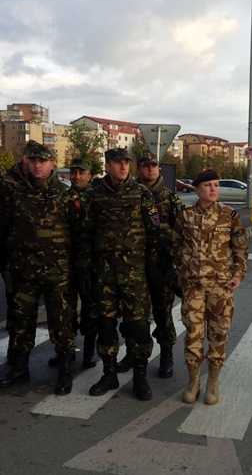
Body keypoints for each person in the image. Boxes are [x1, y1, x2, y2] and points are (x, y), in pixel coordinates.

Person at [0, 141, 76, 396]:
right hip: (24, 271)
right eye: (34, 161)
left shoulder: (66, 195)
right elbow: (5, 228)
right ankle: (20, 368)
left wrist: (76, 269)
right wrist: (8, 265)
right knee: (21, 321)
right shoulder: (16, 193)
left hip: (56, 272)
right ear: (27, 163)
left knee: (60, 321)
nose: (38, 165)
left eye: (43, 161)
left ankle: (65, 369)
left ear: (52, 164)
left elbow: (79, 234)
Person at [85, 147, 161, 401]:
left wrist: (152, 268)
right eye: (118, 162)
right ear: (107, 165)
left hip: (134, 274)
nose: (123, 166)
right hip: (104, 274)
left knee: (138, 326)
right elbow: (86, 233)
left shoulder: (142, 193)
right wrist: (86, 269)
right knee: (105, 325)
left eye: (126, 162)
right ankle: (109, 374)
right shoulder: (94, 195)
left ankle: (140, 378)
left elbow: (154, 233)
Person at [172, 169, 247, 405]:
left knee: (218, 334)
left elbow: (240, 249)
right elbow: (175, 245)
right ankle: (193, 381)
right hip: (193, 286)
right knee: (193, 335)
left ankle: (213, 381)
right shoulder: (185, 214)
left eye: (215, 184)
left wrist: (237, 275)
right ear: (197, 189)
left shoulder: (229, 215)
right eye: (207, 185)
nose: (213, 189)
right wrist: (181, 271)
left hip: (220, 286)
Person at [117, 152, 182, 378]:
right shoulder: (130, 194)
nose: (150, 169)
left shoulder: (170, 198)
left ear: (158, 168)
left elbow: (180, 233)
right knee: (133, 315)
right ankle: (131, 353)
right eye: (146, 166)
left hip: (162, 266)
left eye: (154, 165)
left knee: (163, 313)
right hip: (134, 266)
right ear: (140, 169)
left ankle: (166, 354)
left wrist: (174, 265)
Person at [0, 147, 30, 365]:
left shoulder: (37, 183)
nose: (36, 164)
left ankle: (14, 349)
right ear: (25, 158)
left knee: (16, 302)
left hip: (16, 253)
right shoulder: (2, 178)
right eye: (32, 159)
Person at [63, 157, 98, 369]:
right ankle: (65, 349)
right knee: (64, 311)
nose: (77, 176)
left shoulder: (96, 198)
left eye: (81, 172)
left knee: (90, 310)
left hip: (89, 265)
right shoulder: (61, 197)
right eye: (73, 172)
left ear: (89, 175)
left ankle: (89, 351)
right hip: (65, 264)